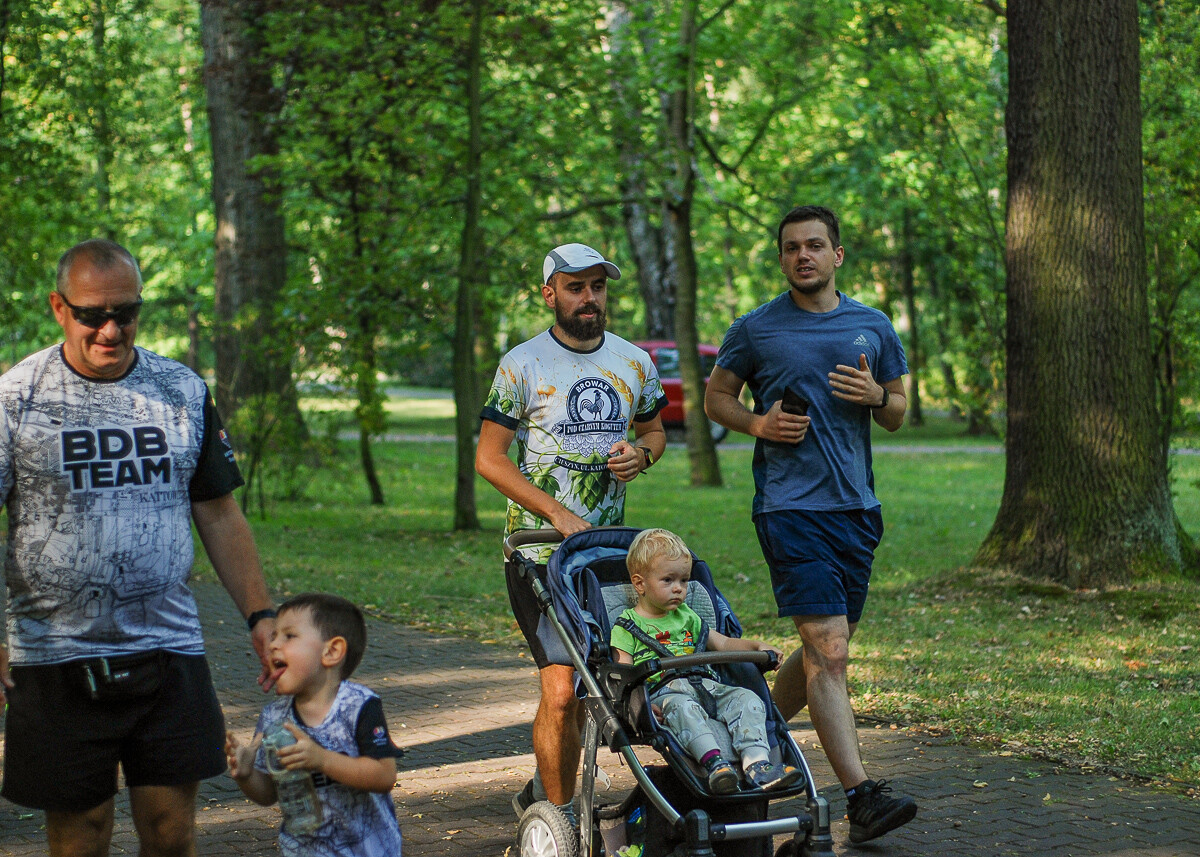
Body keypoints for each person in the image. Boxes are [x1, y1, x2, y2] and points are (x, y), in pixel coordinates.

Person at [0, 238, 280, 856]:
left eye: (124, 312)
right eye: (92, 314)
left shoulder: (179, 389)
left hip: (168, 649)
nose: (109, 329)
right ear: (58, 307)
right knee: (82, 835)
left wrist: (260, 616)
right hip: (55, 656)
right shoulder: (16, 397)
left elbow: (218, 510)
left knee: (169, 833)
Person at [704, 206, 918, 844]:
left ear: (838, 255)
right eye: (792, 248)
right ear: (781, 259)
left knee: (826, 647)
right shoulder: (756, 329)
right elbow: (718, 397)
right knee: (831, 650)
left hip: (857, 511)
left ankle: (741, 731)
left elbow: (900, 411)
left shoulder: (873, 326)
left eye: (815, 246)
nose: (804, 256)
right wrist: (759, 425)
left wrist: (879, 397)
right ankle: (860, 795)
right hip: (790, 507)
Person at [475, 242, 669, 822]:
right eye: (576, 287)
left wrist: (641, 455)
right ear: (550, 294)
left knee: (591, 687)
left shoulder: (635, 361)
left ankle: (544, 791)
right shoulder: (522, 364)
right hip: (539, 554)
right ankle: (558, 822)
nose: (589, 299)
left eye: (597, 287)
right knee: (561, 689)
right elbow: (490, 458)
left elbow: (656, 431)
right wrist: (557, 514)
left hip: (608, 554)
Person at [609, 528, 800, 793]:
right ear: (640, 584)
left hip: (707, 686)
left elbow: (722, 644)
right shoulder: (627, 625)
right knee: (683, 709)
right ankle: (715, 764)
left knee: (747, 699)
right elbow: (624, 670)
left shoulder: (688, 616)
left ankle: (757, 765)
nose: (678, 588)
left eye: (684, 581)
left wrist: (757, 645)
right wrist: (637, 702)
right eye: (668, 580)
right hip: (665, 693)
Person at [225, 592, 404, 857]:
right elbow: (268, 795)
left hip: (368, 849)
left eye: (289, 636)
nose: (274, 644)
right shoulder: (274, 718)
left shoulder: (358, 706)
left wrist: (322, 760)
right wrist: (247, 774)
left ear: (331, 651)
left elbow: (384, 776)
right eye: (273, 636)